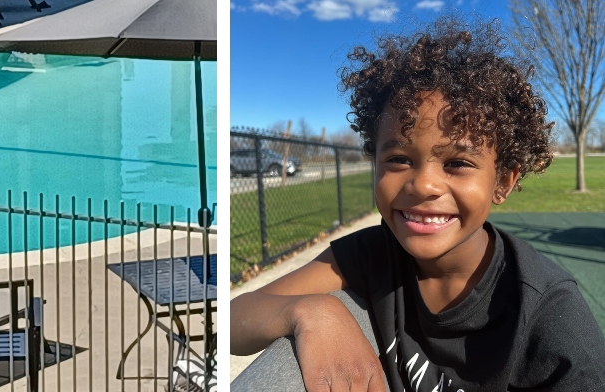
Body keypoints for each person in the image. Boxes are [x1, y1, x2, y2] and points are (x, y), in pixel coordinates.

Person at [230, 16, 605, 392]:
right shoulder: (372, 255)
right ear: (374, 161)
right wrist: (311, 310)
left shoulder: (549, 315)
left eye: (457, 163)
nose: (423, 184)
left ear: (503, 181)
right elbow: (234, 319)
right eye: (398, 159)